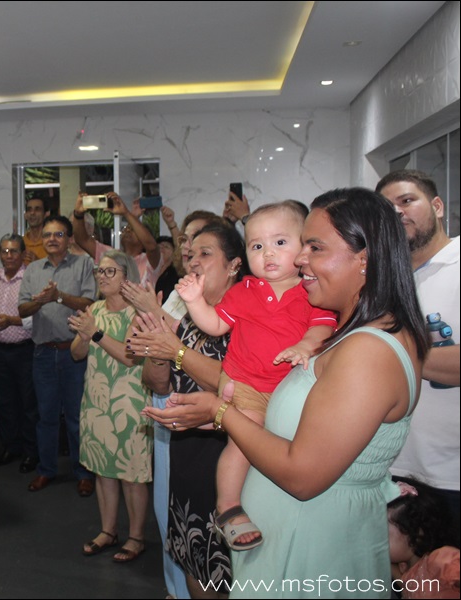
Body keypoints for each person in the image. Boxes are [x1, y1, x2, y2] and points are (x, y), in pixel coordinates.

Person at [146, 188, 428, 599]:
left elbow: (302, 476)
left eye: (314, 247)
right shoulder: (350, 333)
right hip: (290, 541)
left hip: (311, 549)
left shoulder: (369, 351)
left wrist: (221, 413)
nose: (299, 259)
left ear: (365, 258)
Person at [175, 201, 337, 550]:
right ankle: (228, 507)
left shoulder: (312, 292)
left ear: (304, 247)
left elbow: (323, 328)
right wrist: (195, 301)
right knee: (243, 442)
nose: (268, 254)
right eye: (257, 246)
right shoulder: (244, 291)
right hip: (245, 383)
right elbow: (215, 325)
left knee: (284, 449)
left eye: (280, 242)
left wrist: (305, 345)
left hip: (287, 390)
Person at [137, 222, 246, 599]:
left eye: (205, 254)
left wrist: (176, 351)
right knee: (194, 560)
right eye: (191, 254)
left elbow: (232, 383)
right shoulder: (187, 318)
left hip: (230, 454)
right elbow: (158, 384)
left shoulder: (247, 318)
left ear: (233, 265)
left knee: (230, 570)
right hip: (186, 454)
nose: (193, 261)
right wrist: (159, 348)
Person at [377, 170, 460, 538]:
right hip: (391, 467)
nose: (397, 212)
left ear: (437, 206)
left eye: (407, 201)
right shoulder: (381, 281)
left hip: (452, 473)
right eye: (387, 208)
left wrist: (383, 355)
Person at [69, 250, 153, 563]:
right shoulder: (94, 309)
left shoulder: (138, 313)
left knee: (132, 473)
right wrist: (83, 335)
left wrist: (95, 332)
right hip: (96, 399)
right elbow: (76, 354)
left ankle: (136, 537)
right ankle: (108, 531)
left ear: (127, 277)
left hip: (129, 402)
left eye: (110, 271)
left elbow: (130, 356)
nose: (102, 277)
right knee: (103, 470)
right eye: (99, 271)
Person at [18, 215, 97, 497]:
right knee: (46, 416)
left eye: (58, 234)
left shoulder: (84, 264)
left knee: (76, 417)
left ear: (69, 239)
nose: (52, 239)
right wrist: (40, 300)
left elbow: (89, 302)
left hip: (74, 353)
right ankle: (46, 470)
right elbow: (22, 309)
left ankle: (84, 472)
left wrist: (58, 296)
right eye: (47, 235)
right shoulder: (32, 269)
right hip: (42, 353)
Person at [0, 234, 39, 473]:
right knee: (5, 403)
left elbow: (38, 317)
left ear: (23, 253)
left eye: (14, 251)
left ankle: (31, 452)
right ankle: (11, 447)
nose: (8, 256)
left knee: (28, 404)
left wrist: (11, 321)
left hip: (25, 349)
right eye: (4, 251)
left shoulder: (31, 278)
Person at [387, 479, 460, 598]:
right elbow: (407, 585)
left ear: (416, 535)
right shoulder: (408, 570)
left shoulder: (438, 559)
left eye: (384, 535)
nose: (376, 540)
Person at [73, 192, 162, 288]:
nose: (127, 230)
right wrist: (78, 214)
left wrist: (126, 213)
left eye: (132, 230)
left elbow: (152, 247)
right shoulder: (111, 255)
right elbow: (82, 240)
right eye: (126, 228)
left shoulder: (149, 260)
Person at [22, 196, 48, 265]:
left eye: (37, 209)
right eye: (29, 209)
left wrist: (38, 263)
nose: (32, 213)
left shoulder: (51, 242)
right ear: (25, 215)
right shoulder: (20, 244)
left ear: (46, 214)